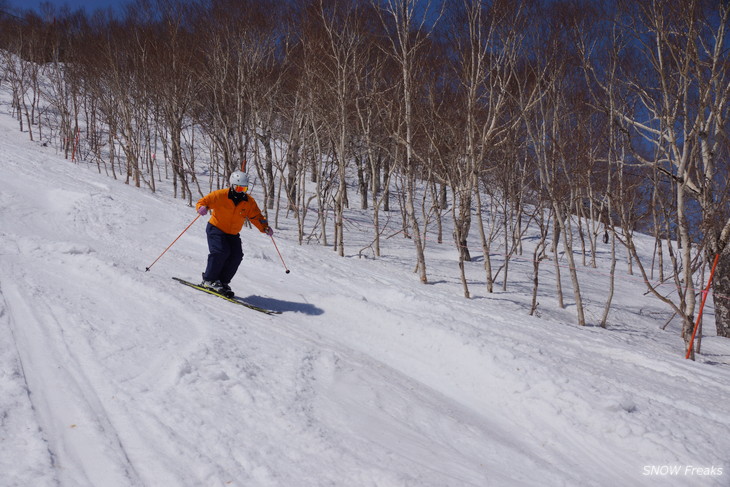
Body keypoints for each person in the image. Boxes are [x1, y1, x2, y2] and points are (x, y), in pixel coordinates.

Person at [195, 171, 273, 297]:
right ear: (232, 185)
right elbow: (203, 202)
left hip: (232, 233)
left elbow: (256, 216)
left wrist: (264, 227)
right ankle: (209, 280)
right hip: (216, 228)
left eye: (244, 188)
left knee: (237, 256)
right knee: (220, 252)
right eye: (238, 188)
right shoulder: (220, 195)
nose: (241, 191)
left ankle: (222, 281)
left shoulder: (248, 201)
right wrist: (201, 208)